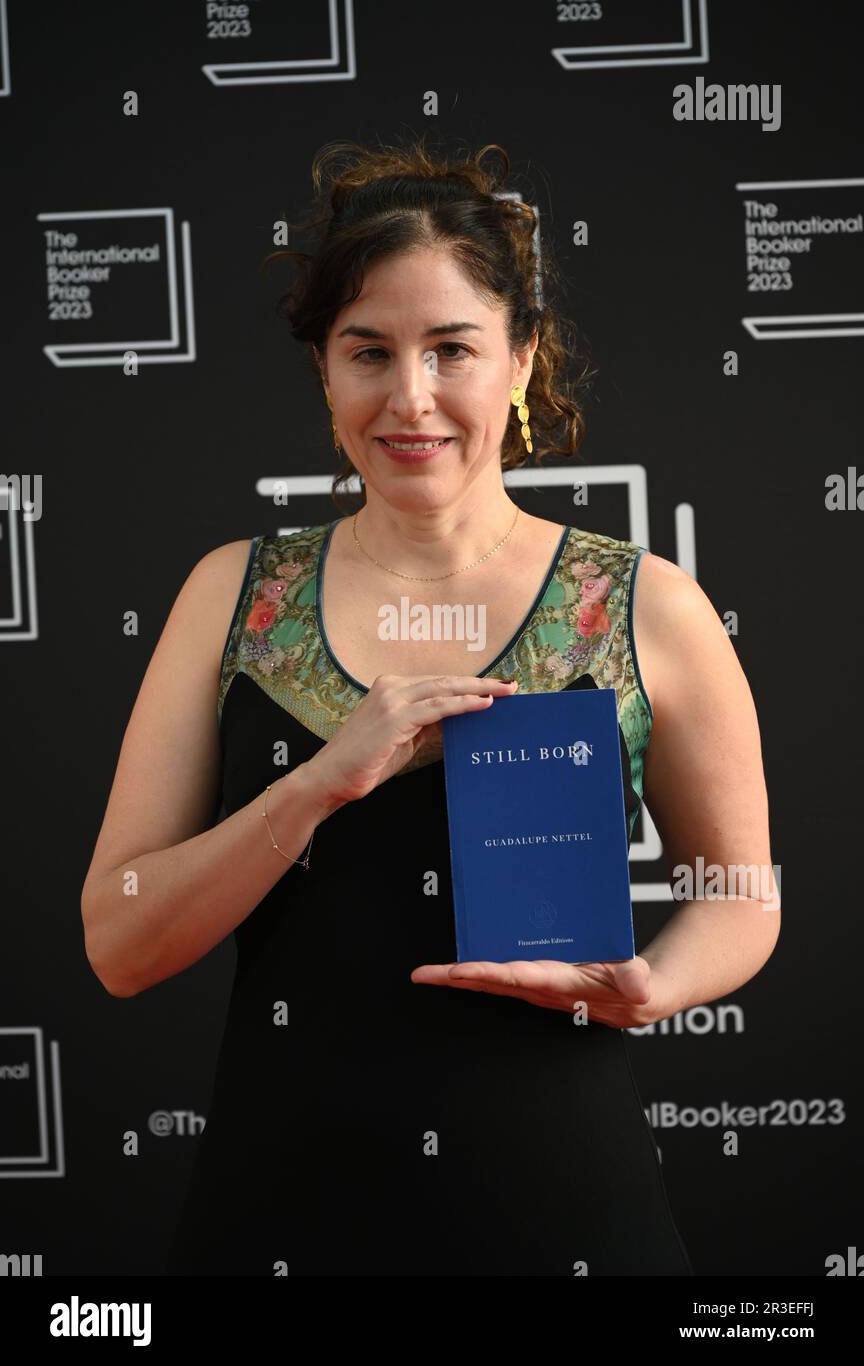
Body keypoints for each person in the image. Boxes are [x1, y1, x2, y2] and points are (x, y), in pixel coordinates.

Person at [80, 138, 780, 1276]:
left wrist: (657, 985)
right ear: (325, 371)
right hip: (280, 1214)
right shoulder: (233, 595)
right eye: (369, 351)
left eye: (451, 348)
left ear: (521, 361)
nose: (410, 397)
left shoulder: (643, 603)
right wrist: (317, 784)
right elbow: (118, 940)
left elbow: (741, 894)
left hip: (563, 1210)